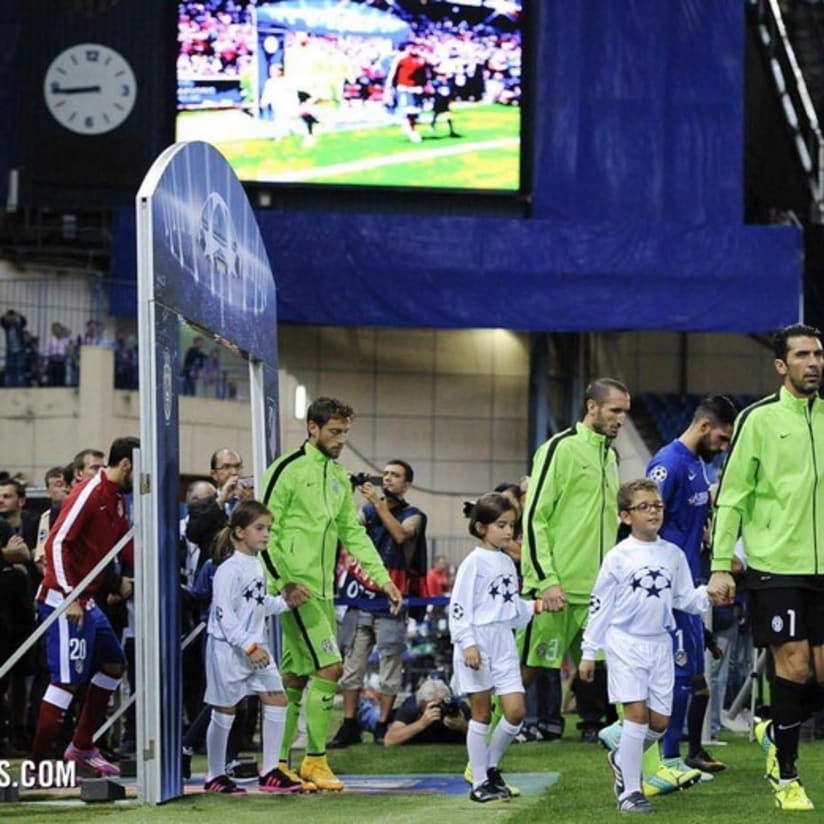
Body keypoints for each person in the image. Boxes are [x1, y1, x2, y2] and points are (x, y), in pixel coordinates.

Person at [708, 323, 824, 812]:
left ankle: (773, 727)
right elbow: (732, 496)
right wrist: (720, 566)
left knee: (816, 675)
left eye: (817, 354)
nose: (813, 363)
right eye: (802, 355)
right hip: (775, 565)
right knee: (794, 664)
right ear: (781, 365)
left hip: (822, 569)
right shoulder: (757, 419)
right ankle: (788, 773)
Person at [260, 397, 402, 792]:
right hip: (293, 591)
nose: (341, 440)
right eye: (335, 432)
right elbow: (263, 528)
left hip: (323, 591)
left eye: (345, 433)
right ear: (313, 429)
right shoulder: (285, 470)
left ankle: (276, 764)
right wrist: (283, 583)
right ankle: (315, 760)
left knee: (293, 677)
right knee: (331, 667)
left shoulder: (338, 477)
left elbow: (352, 534)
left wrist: (383, 579)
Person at [598, 395, 737, 788]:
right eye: (723, 438)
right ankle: (664, 762)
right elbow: (646, 518)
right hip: (666, 588)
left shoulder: (695, 464)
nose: (723, 447)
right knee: (680, 677)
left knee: (690, 676)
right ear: (706, 427)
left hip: (688, 584)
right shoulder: (668, 463)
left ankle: (633, 740)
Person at [580, 479, 719, 813]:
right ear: (626, 516)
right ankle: (630, 792)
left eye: (657, 505)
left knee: (659, 722)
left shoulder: (672, 554)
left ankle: (620, 758)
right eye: (644, 507)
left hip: (660, 644)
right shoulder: (617, 557)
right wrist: (588, 651)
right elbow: (600, 605)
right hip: (624, 643)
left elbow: (685, 597)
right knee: (637, 717)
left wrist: (709, 595)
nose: (653, 512)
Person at [513, 378, 630, 743]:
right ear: (592, 407)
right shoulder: (559, 449)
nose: (621, 419)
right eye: (614, 410)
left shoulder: (610, 458)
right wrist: (547, 579)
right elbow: (534, 518)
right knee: (528, 668)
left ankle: (645, 761)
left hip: (598, 593)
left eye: (625, 412)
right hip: (557, 588)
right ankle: (483, 748)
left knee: (620, 669)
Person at [31, 436, 138, 776]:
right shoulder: (89, 493)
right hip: (64, 599)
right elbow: (58, 544)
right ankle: (37, 767)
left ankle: (80, 746)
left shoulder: (119, 499)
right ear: (127, 465)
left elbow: (123, 544)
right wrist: (69, 595)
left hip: (88, 599)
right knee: (65, 682)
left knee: (112, 665)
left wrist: (129, 577)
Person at [202, 500, 310, 795]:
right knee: (225, 710)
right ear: (239, 532)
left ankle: (271, 770)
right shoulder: (228, 569)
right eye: (259, 528)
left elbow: (258, 605)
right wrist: (249, 646)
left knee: (276, 699)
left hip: (254, 646)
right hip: (229, 650)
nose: (266, 534)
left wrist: (286, 603)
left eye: (268, 529)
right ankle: (214, 775)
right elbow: (225, 616)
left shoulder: (256, 566)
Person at [450, 492, 541, 802]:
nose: (508, 532)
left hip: (503, 642)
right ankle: (479, 783)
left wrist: (539, 606)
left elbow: (510, 608)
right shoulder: (472, 563)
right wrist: (468, 644)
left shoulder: (505, 561)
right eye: (501, 525)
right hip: (478, 641)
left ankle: (489, 767)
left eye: (511, 526)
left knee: (516, 711)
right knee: (482, 714)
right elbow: (459, 608)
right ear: (481, 527)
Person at [331, 459, 426, 747]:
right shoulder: (369, 511)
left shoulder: (415, 515)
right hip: (361, 598)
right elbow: (344, 528)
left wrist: (378, 503)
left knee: (390, 665)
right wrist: (343, 492)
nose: (388, 479)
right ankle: (349, 725)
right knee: (353, 666)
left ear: (406, 484)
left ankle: (383, 725)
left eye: (395, 475)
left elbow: (400, 534)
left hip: (392, 601)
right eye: (384, 474)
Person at [383, 677, 468, 747]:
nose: (438, 709)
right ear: (421, 705)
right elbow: (389, 740)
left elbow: (480, 735)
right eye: (433, 705)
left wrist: (463, 726)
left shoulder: (456, 707)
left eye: (441, 704)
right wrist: (421, 723)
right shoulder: (410, 708)